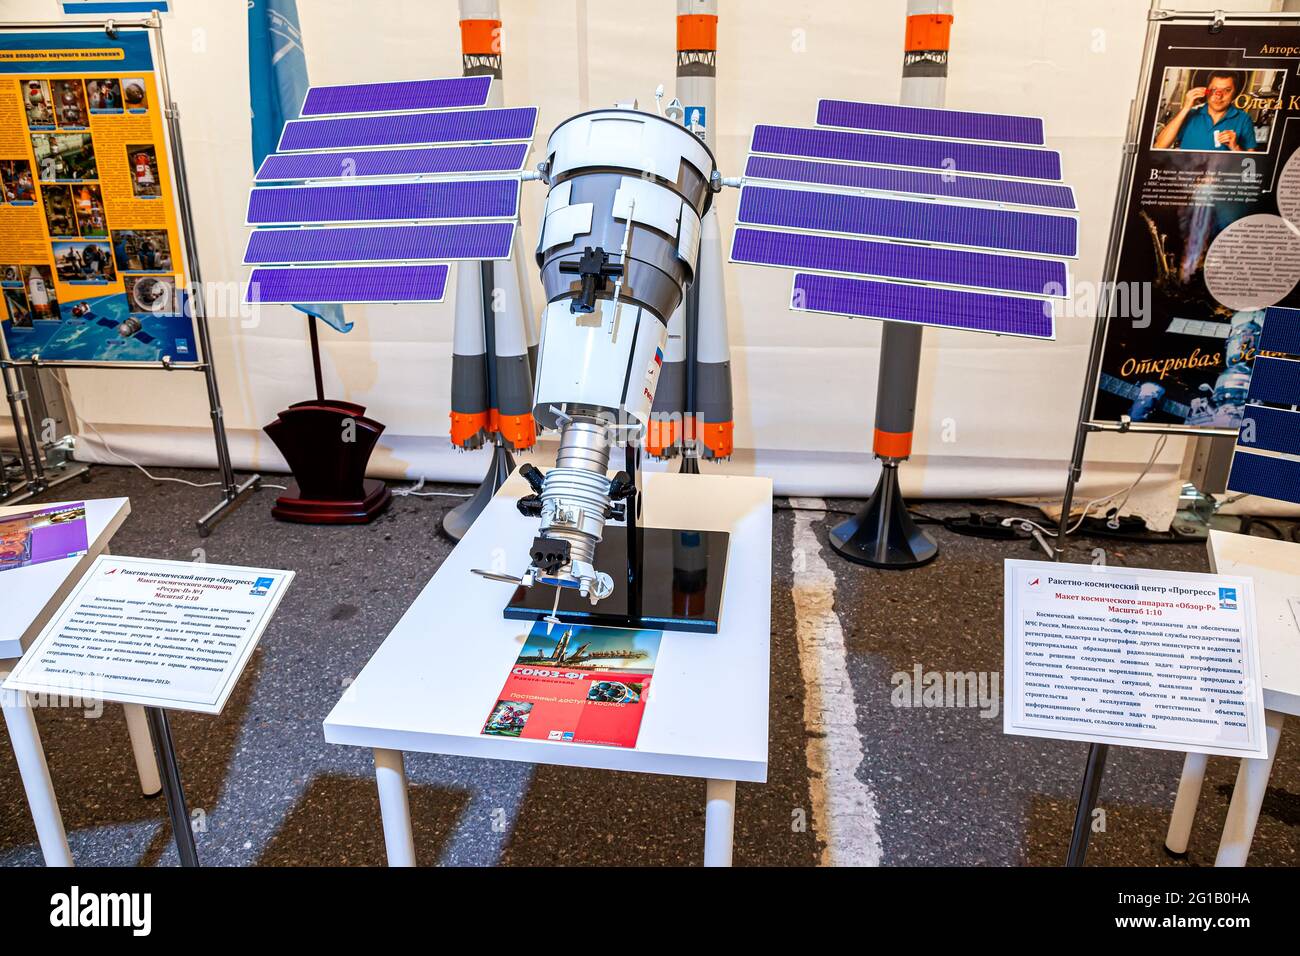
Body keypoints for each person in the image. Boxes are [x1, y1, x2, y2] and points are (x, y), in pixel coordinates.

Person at [1153, 70, 1258, 151]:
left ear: (1235, 93)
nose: (1219, 96)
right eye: (1214, 90)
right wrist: (1186, 108)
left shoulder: (1243, 119)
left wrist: (1235, 147)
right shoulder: (1190, 114)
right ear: (1206, 91)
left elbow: (1251, 163)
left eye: (1227, 90)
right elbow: (1159, 146)